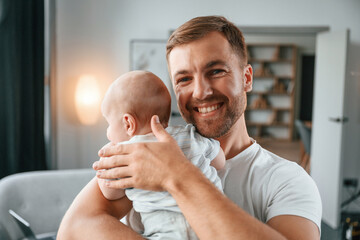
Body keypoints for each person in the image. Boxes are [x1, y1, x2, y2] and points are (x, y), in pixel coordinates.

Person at [58, 16, 322, 240]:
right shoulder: (145, 149)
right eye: (184, 78)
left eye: (216, 71)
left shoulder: (288, 180)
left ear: (247, 78)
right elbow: (72, 231)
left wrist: (177, 174)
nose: (201, 92)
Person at [97, 70, 225, 239]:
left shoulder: (124, 155)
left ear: (128, 124)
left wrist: (104, 165)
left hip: (165, 233)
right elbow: (220, 162)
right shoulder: (191, 136)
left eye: (108, 124)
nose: (108, 132)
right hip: (214, 227)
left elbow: (110, 193)